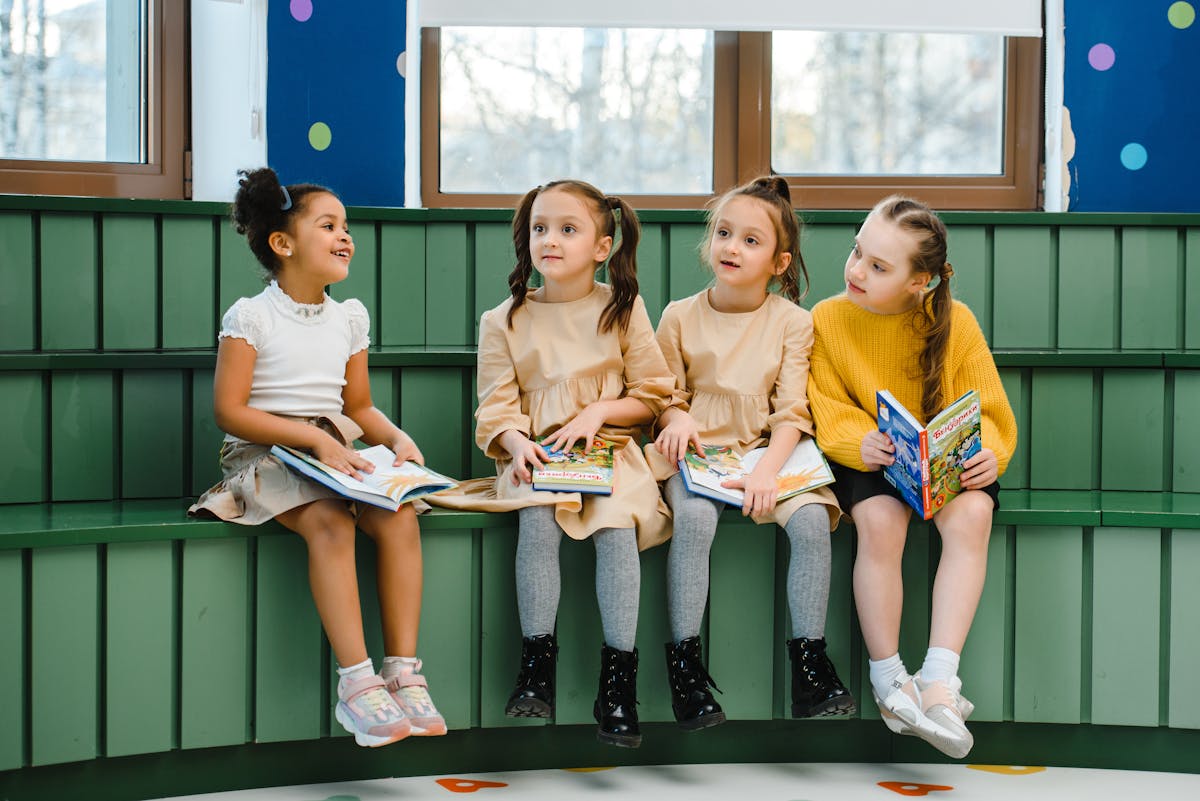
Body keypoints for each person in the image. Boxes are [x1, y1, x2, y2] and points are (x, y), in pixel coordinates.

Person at [189, 168, 446, 748]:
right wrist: (311, 440)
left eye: (347, 226)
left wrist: (396, 439)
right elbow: (230, 412)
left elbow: (359, 405)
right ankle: (356, 685)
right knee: (331, 524)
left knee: (400, 515)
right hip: (267, 453)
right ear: (283, 244)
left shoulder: (349, 317)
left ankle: (402, 671)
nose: (344, 236)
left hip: (336, 451)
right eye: (328, 225)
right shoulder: (253, 316)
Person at [463, 179, 674, 748]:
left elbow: (653, 392)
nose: (548, 240)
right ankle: (536, 666)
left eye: (566, 229)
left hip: (610, 453)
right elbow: (496, 406)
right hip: (537, 455)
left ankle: (618, 682)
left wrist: (602, 410)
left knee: (616, 529)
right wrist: (514, 443)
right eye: (539, 229)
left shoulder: (621, 310)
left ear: (602, 248)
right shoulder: (503, 319)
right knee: (537, 517)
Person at [808, 195, 1017, 759]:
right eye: (857, 252)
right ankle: (887, 675)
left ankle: (939, 678)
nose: (856, 270)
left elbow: (990, 410)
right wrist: (860, 441)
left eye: (878, 267)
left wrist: (990, 453)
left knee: (974, 514)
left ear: (919, 281)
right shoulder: (828, 318)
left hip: (945, 458)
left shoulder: (957, 321)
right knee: (879, 521)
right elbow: (826, 401)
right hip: (873, 458)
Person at [648, 175, 854, 731]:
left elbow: (792, 412)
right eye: (723, 234)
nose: (731, 248)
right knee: (692, 519)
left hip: (769, 450)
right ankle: (686, 668)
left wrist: (767, 472)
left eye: (750, 241)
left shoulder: (792, 322)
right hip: (696, 451)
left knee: (812, 520)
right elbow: (663, 397)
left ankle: (810, 666)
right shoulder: (677, 315)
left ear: (780, 261)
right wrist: (677, 415)